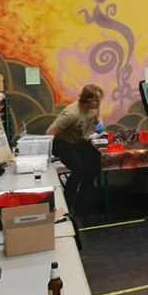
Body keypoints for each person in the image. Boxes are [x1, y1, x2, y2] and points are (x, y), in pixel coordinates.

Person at [47, 84, 104, 216]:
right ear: (86, 99)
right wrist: (46, 156)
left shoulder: (94, 107)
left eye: (99, 100)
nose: (98, 103)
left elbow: (97, 117)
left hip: (79, 141)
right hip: (62, 142)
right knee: (79, 169)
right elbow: (50, 132)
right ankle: (67, 202)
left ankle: (83, 200)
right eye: (95, 100)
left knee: (96, 163)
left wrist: (100, 124)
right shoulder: (71, 114)